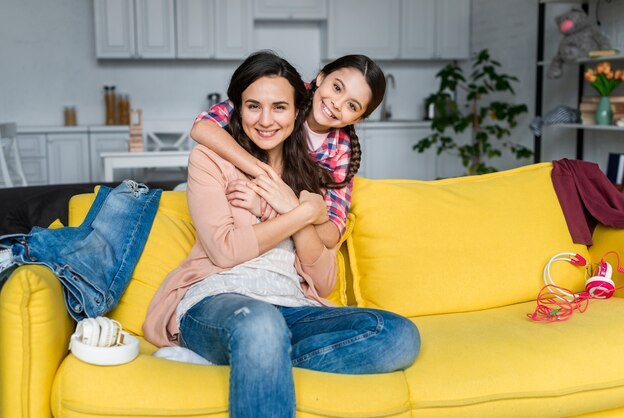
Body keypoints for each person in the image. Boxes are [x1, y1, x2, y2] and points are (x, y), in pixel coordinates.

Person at [143, 51, 420, 418]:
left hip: (292, 305)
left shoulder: (315, 174)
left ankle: (247, 361)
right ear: (238, 108)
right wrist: (299, 211)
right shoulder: (211, 159)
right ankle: (253, 350)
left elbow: (323, 281)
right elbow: (225, 252)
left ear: (295, 111)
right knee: (260, 325)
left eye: (279, 108)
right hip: (219, 298)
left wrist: (291, 206)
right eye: (254, 106)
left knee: (398, 334)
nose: (267, 119)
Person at [190, 53, 386, 247]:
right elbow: (202, 127)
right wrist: (263, 172)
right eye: (336, 88)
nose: (337, 103)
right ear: (321, 77)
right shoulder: (284, 91)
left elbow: (331, 233)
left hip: (274, 219)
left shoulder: (341, 151)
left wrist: (290, 205)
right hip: (234, 190)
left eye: (352, 106)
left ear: (358, 119)